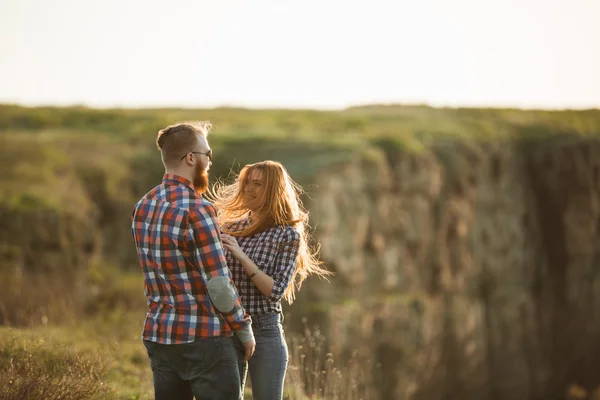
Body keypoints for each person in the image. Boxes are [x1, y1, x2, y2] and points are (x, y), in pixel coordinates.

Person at [131, 121, 255, 400]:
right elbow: (219, 285)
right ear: (191, 158)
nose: (210, 161)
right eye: (207, 154)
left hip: (160, 334)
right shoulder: (198, 209)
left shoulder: (143, 205)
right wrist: (243, 329)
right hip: (204, 338)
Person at [209, 160, 332, 400]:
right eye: (247, 183)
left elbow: (274, 290)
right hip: (227, 326)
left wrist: (241, 255)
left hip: (264, 329)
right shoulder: (229, 227)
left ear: (273, 189)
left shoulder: (287, 235)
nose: (250, 189)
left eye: (258, 184)